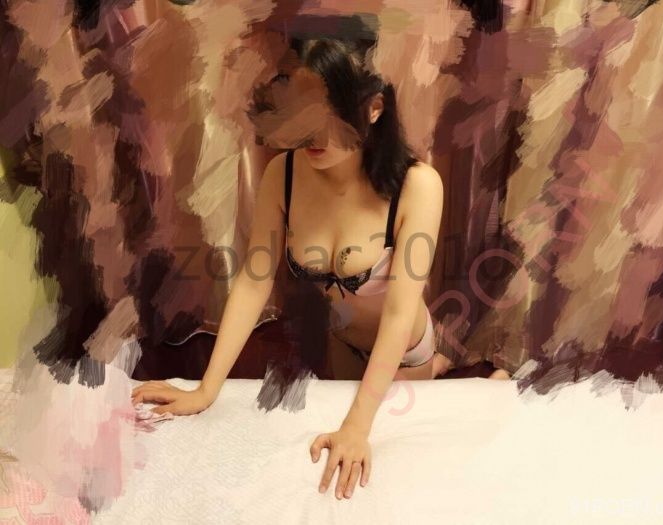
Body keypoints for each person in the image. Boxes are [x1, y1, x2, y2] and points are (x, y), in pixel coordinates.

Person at [131, 37, 507, 500]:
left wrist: (357, 428)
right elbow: (253, 282)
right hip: (340, 341)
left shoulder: (417, 185)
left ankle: (451, 369)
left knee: (419, 427)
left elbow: (396, 313)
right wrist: (206, 391)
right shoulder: (283, 175)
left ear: (373, 109)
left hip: (403, 349)